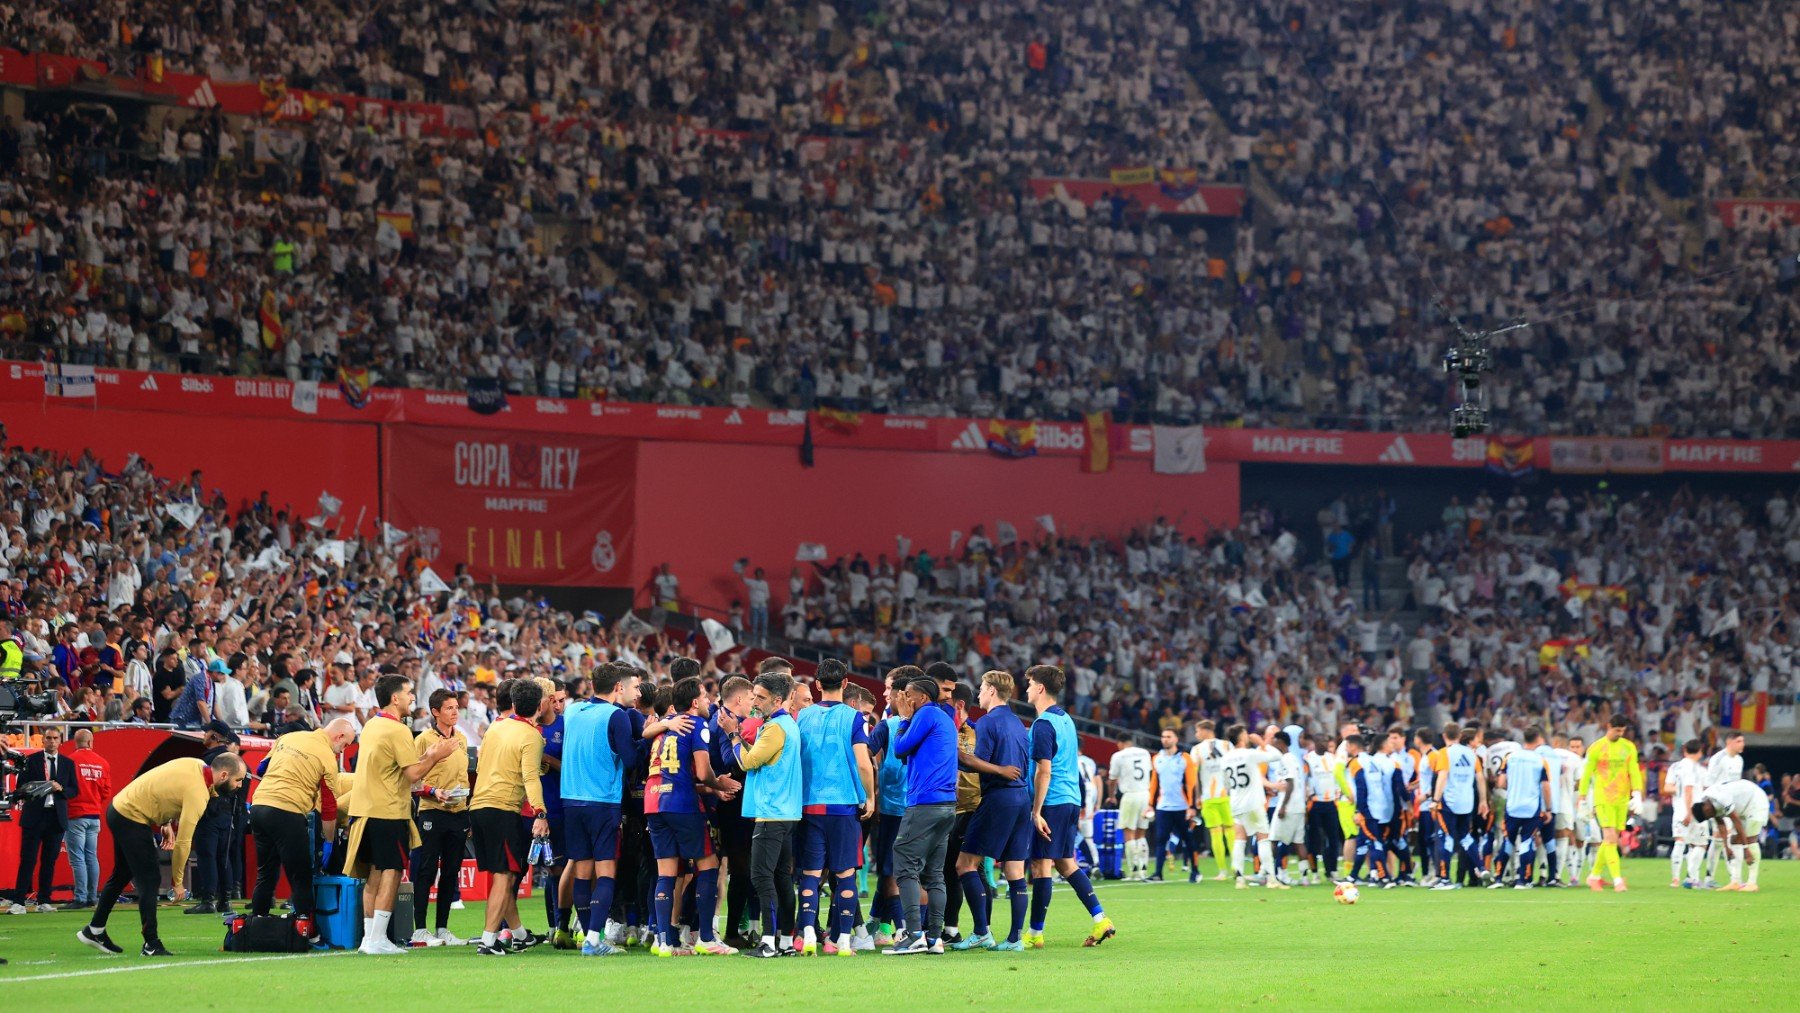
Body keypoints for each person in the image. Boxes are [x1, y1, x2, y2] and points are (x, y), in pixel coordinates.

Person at [78, 752, 248, 957]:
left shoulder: (195, 764)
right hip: (131, 816)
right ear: (223, 775)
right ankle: (151, 943)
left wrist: (165, 821)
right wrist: (177, 882)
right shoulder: (198, 793)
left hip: (120, 808)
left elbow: (162, 785)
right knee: (150, 879)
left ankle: (94, 930)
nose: (239, 785)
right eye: (237, 780)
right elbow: (184, 842)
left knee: (122, 874)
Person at [345, 674, 461, 955]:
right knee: (392, 872)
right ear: (395, 698)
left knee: (374, 874)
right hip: (388, 810)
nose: (412, 697)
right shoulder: (397, 730)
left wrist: (428, 754)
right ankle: (378, 939)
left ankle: (369, 938)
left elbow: (397, 767)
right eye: (409, 693)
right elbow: (413, 775)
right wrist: (435, 755)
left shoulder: (373, 724)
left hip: (366, 808)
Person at [646, 675, 741, 956]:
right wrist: (717, 783)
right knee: (709, 865)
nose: (710, 700)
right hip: (682, 805)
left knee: (666, 872)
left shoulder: (664, 729)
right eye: (705, 695)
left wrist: (709, 788)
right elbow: (702, 771)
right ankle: (707, 938)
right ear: (694, 701)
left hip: (654, 803)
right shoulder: (698, 725)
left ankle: (664, 940)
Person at [564, 662, 651, 957]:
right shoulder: (617, 715)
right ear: (618, 688)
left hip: (571, 800)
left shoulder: (573, 711)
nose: (636, 692)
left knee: (581, 871)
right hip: (602, 802)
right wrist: (649, 735)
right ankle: (592, 940)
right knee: (605, 873)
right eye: (633, 687)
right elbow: (630, 760)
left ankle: (589, 936)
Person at [1024, 665, 1114, 947]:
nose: (1025, 689)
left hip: (1052, 800)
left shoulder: (1043, 724)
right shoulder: (1066, 720)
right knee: (1066, 863)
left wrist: (1036, 811)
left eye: (1028, 684)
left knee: (1041, 866)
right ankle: (1101, 920)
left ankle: (1035, 934)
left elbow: (1044, 771)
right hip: (1071, 799)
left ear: (1040, 688)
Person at [793, 658, 871, 956]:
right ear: (846, 683)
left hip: (810, 805)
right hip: (843, 806)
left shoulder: (802, 717)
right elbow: (863, 763)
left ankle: (809, 931)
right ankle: (842, 941)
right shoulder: (853, 718)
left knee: (811, 875)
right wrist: (870, 796)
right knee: (844, 874)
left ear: (817, 685)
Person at [469, 677, 551, 956]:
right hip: (503, 808)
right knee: (505, 877)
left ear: (514, 704)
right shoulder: (532, 736)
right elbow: (530, 777)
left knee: (502, 875)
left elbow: (480, 765)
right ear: (540, 706)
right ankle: (488, 942)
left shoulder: (495, 727)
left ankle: (518, 935)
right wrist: (540, 811)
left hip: (478, 806)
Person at [727, 660, 804, 958]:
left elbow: (747, 762)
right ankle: (785, 941)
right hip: (786, 812)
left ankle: (769, 942)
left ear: (777, 699)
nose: (755, 701)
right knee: (782, 878)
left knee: (761, 877)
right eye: (754, 696)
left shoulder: (774, 729)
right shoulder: (787, 725)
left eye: (760, 697)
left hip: (771, 813)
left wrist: (734, 735)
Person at [250, 718, 357, 932]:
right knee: (300, 875)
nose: (341, 751)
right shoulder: (327, 757)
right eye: (344, 745)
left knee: (266, 872)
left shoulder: (289, 737)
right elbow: (328, 807)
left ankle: (256, 925)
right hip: (287, 810)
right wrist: (328, 842)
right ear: (339, 736)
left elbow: (262, 769)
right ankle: (307, 931)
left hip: (259, 806)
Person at [953, 669, 1030, 951]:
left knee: (965, 864)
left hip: (999, 798)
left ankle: (981, 931)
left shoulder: (987, 723)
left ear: (992, 692)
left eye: (982, 688)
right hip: (1022, 798)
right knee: (1014, 869)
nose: (979, 694)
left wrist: (959, 757)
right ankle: (1015, 939)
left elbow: (977, 762)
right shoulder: (1019, 724)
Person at [886, 670, 957, 955]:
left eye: (909, 696)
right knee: (935, 873)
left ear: (923, 697)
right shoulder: (944, 718)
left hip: (925, 802)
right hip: (946, 804)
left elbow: (900, 749)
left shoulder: (925, 714)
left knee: (903, 862)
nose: (905, 699)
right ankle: (934, 938)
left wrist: (903, 717)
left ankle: (914, 934)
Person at [412, 688, 471, 945]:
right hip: (432, 810)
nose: (455, 712)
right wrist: (434, 791)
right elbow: (412, 780)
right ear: (435, 712)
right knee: (426, 869)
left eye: (456, 707)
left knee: (450, 871)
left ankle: (443, 928)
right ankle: (419, 929)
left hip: (457, 811)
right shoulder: (423, 740)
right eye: (448, 708)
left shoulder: (462, 739)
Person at [10, 726, 79, 912]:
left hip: (56, 817)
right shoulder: (31, 761)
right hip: (34, 816)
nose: (52, 741)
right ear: (43, 740)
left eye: (55, 738)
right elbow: (20, 787)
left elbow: (74, 790)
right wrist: (36, 788)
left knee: (49, 861)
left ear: (60, 740)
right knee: (28, 859)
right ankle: (18, 901)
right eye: (48, 738)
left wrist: (61, 789)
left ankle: (43, 901)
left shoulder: (67, 763)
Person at [1577, 715, 1643, 892]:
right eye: (1617, 730)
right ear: (1609, 727)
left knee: (1611, 839)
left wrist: (1637, 793)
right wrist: (1582, 798)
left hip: (1621, 800)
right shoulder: (1597, 747)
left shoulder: (1628, 747)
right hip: (1603, 798)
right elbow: (1587, 774)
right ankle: (1617, 880)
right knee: (1610, 838)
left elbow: (1634, 771)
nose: (1619, 733)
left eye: (1622, 731)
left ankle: (1594, 876)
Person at [184, 719, 242, 915]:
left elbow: (201, 785)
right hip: (228, 814)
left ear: (215, 736)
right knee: (223, 857)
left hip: (209, 812)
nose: (203, 735)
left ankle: (208, 900)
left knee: (207, 856)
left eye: (206, 732)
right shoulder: (234, 759)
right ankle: (225, 900)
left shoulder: (210, 760)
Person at [1219, 724, 1285, 889]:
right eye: (1246, 734)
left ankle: (1240, 880)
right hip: (1253, 803)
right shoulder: (1249, 754)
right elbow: (1277, 755)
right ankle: (1271, 879)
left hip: (1235, 803)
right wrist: (1263, 744)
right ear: (1242, 737)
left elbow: (1226, 784)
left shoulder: (1225, 758)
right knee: (1263, 838)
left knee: (1239, 840)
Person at [1432, 723, 1489, 889]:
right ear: (1459, 735)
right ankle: (1481, 868)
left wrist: (1435, 800)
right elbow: (1480, 779)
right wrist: (1483, 801)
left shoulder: (1444, 753)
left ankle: (1444, 878)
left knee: (1446, 837)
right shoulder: (1472, 754)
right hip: (1467, 802)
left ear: (1444, 736)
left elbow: (1442, 777)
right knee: (1466, 837)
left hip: (1449, 802)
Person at [1690, 779, 1770, 893]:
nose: (1710, 817)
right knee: (1734, 841)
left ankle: (1752, 883)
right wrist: (1726, 847)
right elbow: (1721, 824)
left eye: (1708, 816)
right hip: (1742, 806)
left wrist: (1746, 849)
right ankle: (1735, 882)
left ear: (1706, 809)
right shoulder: (1707, 803)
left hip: (1756, 801)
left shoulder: (1721, 799)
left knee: (1750, 839)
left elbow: (1736, 821)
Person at [63, 728, 112, 909]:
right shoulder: (103, 763)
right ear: (91, 742)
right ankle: (92, 896)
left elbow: (65, 789)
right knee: (91, 856)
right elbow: (106, 791)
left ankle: (81, 897)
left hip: (75, 815)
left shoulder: (70, 761)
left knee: (77, 858)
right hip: (94, 815)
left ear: (75, 742)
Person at [1497, 729, 1551, 889]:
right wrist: (1548, 808)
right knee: (1527, 842)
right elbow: (1546, 787)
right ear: (1538, 739)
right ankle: (1522, 881)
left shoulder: (1510, 757)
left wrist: (1513, 788)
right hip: (1531, 808)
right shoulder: (1540, 760)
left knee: (1508, 841)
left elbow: (1501, 783)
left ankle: (1498, 878)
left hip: (1512, 806)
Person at [1145, 728, 1197, 882]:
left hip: (1182, 807)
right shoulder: (1157, 758)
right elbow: (1154, 783)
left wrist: (1192, 806)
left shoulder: (1185, 758)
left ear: (1176, 739)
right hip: (1163, 806)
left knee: (1187, 839)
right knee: (1161, 839)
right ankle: (1158, 873)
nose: (1165, 739)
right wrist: (1150, 804)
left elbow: (1191, 784)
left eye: (1168, 736)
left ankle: (1195, 871)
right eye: (1163, 736)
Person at [1190, 720, 1234, 881]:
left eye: (1197, 731)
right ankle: (1237, 869)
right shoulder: (1228, 745)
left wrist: (1197, 797)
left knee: (1216, 834)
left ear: (1204, 730)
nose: (1196, 734)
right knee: (1231, 832)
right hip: (1228, 795)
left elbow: (1194, 776)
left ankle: (1222, 871)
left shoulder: (1196, 750)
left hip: (1209, 797)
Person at [1664, 739, 1709, 888]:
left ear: (1685, 751)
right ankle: (1692, 877)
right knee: (1701, 843)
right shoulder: (1697, 769)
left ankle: (1675, 879)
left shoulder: (1675, 767)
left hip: (1678, 810)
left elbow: (1667, 787)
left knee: (1680, 841)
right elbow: (1690, 790)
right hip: (1695, 811)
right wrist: (1689, 812)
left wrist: (1679, 790)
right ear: (1700, 751)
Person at [1108, 733, 1153, 881]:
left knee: (1129, 833)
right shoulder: (1145, 753)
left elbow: (1112, 779)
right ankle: (1143, 870)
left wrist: (1112, 795)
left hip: (1130, 795)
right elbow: (1150, 773)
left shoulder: (1118, 756)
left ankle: (1134, 871)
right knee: (1141, 833)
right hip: (1145, 794)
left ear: (1120, 743)